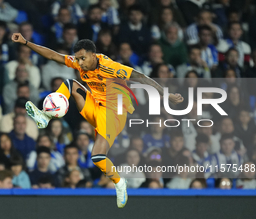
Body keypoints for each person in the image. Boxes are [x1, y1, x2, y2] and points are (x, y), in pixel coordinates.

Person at [11, 29, 183, 208]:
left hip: (114, 114)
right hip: (96, 106)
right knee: (70, 84)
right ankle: (45, 116)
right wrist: (26, 43)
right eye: (77, 58)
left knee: (97, 156)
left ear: (93, 55)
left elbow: (141, 77)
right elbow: (54, 56)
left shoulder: (111, 67)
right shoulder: (80, 62)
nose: (78, 63)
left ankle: (119, 182)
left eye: (82, 59)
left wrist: (166, 94)